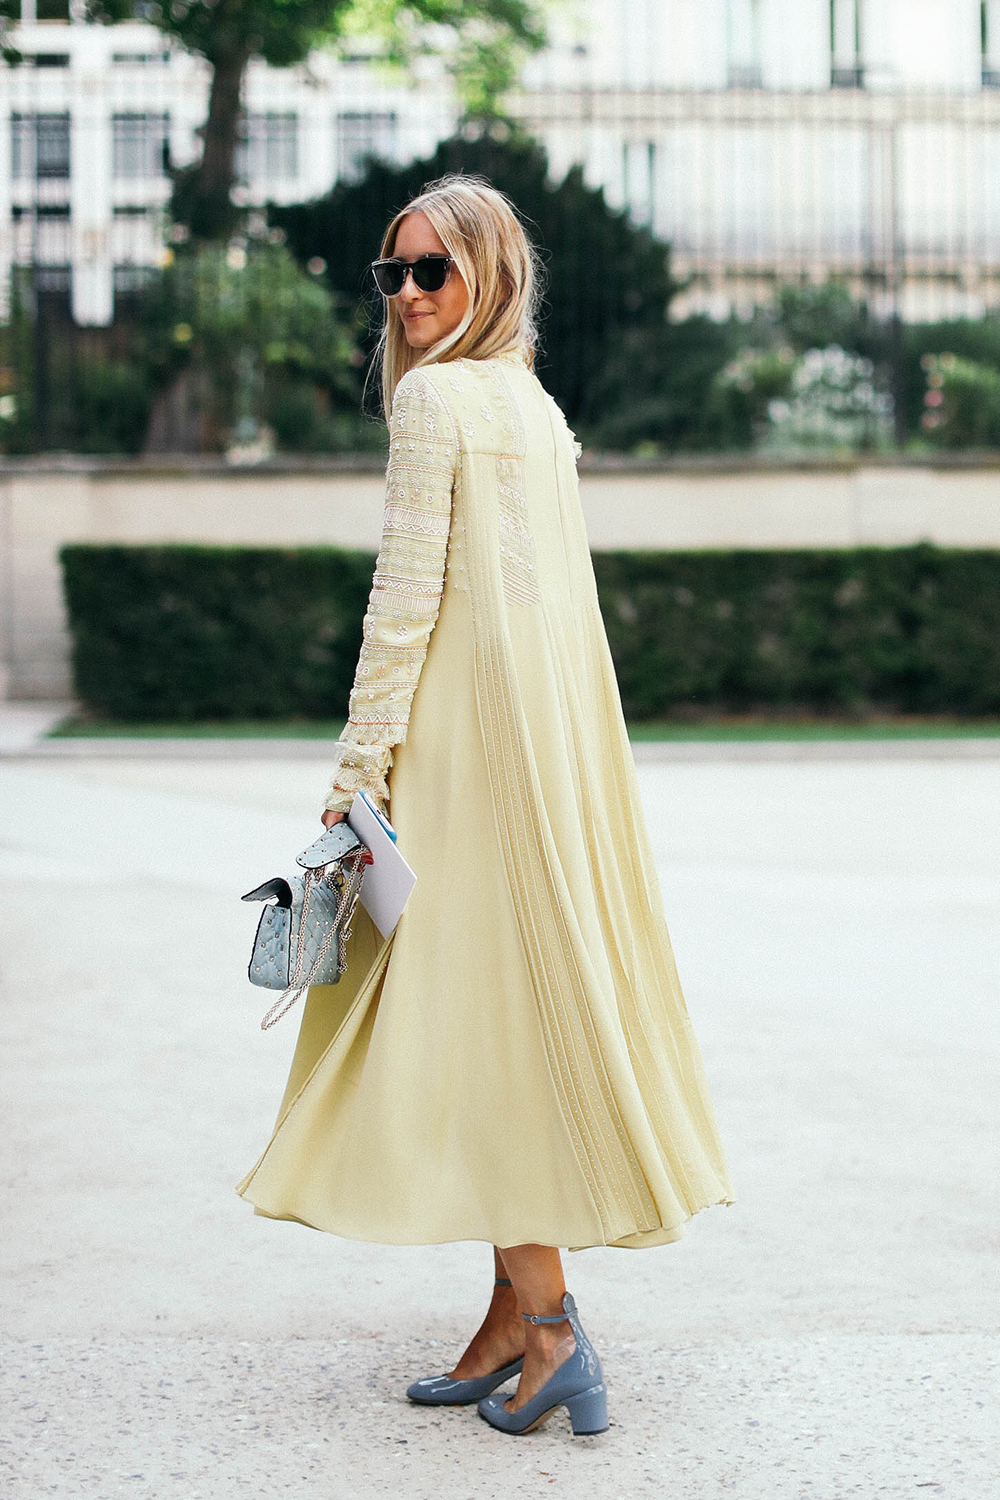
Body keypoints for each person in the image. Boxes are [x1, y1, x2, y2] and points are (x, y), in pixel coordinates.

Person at [238, 174, 734, 1437]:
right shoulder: (532, 402)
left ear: (492, 278)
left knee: (468, 1016)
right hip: (550, 740)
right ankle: (511, 1319)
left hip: (463, 746)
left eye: (431, 274)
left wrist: (358, 773)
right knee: (503, 1012)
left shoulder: (441, 402)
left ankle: (553, 1326)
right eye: (391, 275)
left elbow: (403, 602)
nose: (405, 299)